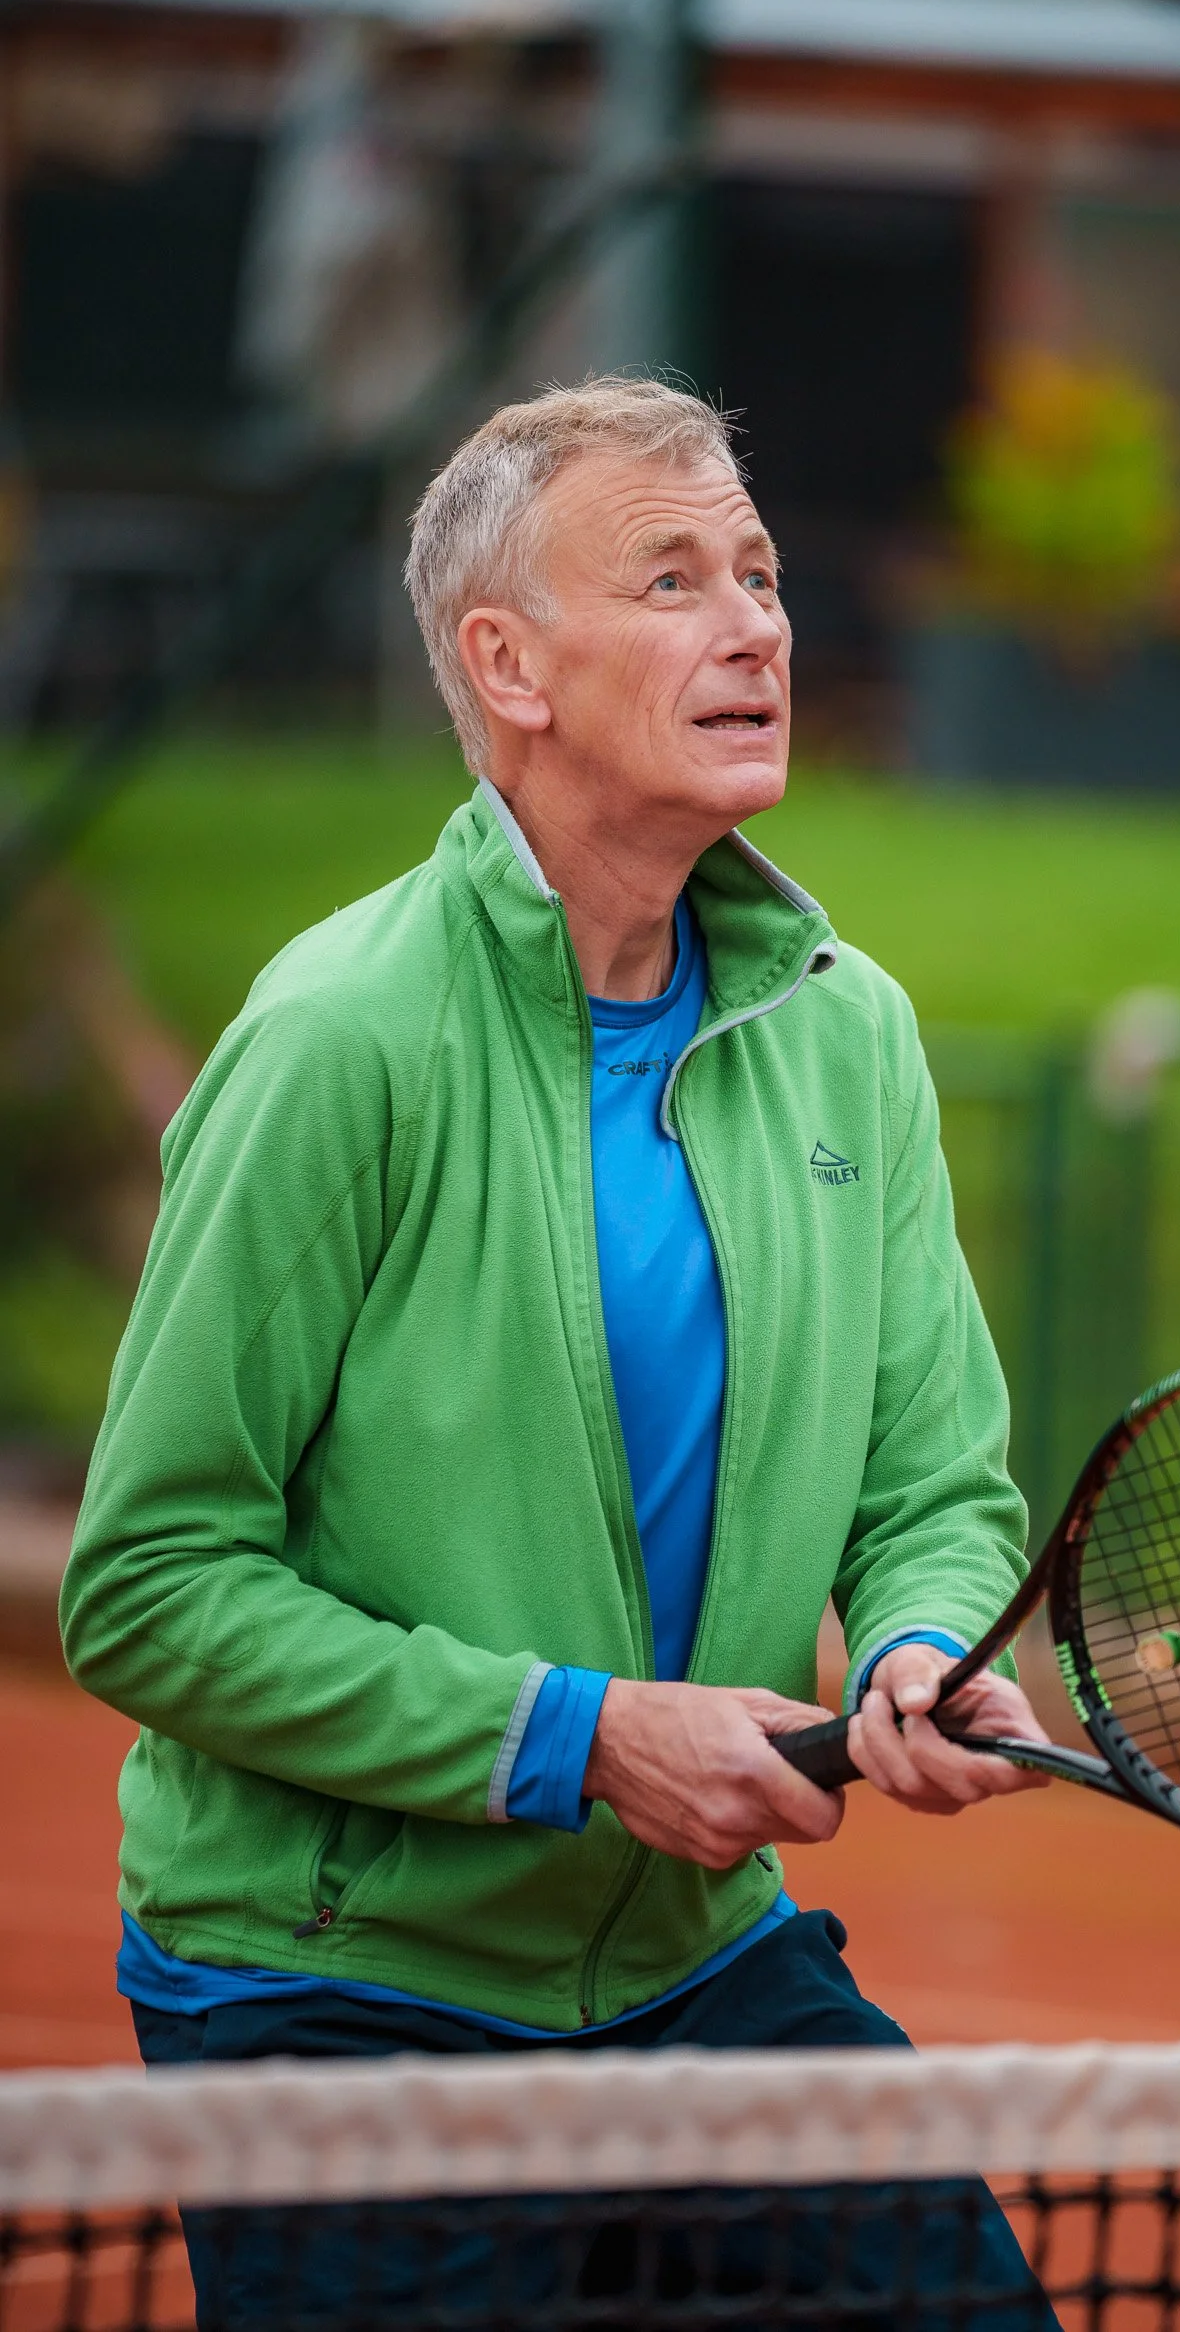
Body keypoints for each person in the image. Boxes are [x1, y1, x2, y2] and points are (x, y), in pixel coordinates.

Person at [60, 376, 1056, 2326]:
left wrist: (923, 1642)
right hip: (338, 1992)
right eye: (670, 580)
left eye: (758, 573)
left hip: (697, 1962)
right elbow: (148, 1587)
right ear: (506, 666)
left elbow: (931, 1483)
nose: (753, 625)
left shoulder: (848, 1032)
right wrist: (582, 1737)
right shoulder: (339, 1038)